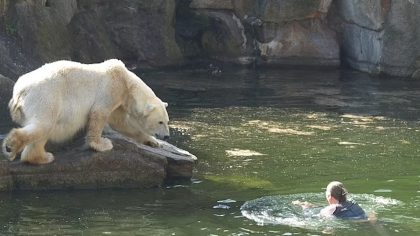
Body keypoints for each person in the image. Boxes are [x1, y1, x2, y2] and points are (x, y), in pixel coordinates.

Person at [293, 181, 368, 220]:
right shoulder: (352, 202)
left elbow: (314, 217)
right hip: (364, 220)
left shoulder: (329, 209)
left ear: (329, 196)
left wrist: (305, 208)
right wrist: (312, 206)